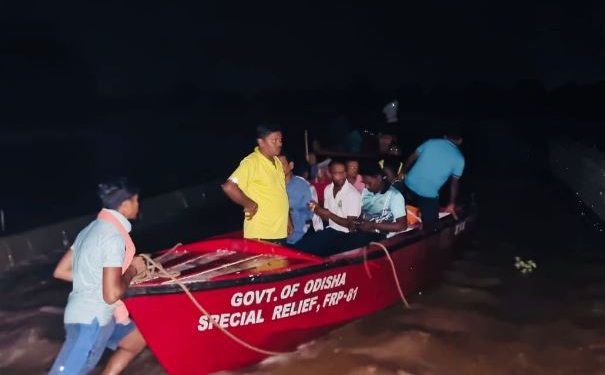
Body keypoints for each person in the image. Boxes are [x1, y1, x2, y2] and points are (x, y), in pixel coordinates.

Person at [50, 178, 147, 375]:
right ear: (126, 204)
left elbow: (60, 271)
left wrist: (101, 279)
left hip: (94, 315)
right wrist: (133, 270)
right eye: (136, 200)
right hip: (92, 322)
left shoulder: (90, 230)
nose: (138, 205)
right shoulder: (113, 237)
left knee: (136, 341)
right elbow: (111, 294)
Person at [222, 124, 291, 245]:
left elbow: (280, 193)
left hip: (278, 231)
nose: (279, 144)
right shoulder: (252, 162)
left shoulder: (277, 162)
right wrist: (250, 204)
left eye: (280, 140)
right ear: (261, 142)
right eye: (274, 140)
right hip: (262, 234)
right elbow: (229, 187)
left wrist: (287, 220)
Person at [294, 160, 361, 256]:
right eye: (336, 173)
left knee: (303, 249)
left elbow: (352, 226)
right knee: (299, 245)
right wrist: (314, 208)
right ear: (330, 174)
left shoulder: (353, 194)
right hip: (330, 229)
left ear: (346, 173)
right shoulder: (328, 189)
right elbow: (326, 217)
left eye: (342, 173)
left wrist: (328, 214)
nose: (340, 176)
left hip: (345, 235)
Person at [403, 131, 465, 232]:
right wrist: (452, 202)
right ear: (460, 141)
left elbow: (411, 158)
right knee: (431, 226)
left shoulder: (430, 142)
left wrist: (403, 172)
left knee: (408, 208)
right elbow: (454, 183)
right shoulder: (460, 158)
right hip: (428, 195)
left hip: (408, 185)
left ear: (445, 136)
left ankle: (411, 221)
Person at [342, 162, 408, 249]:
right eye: (364, 183)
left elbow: (402, 226)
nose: (366, 186)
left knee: (354, 242)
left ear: (379, 178)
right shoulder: (366, 191)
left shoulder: (395, 196)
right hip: (364, 232)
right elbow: (361, 213)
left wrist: (373, 225)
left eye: (369, 183)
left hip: (383, 236)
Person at [279, 153, 313, 245]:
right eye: (276, 165)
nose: (278, 168)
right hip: (277, 239)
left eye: (282, 164)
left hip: (299, 238)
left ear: (291, 165)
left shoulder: (303, 185)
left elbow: (313, 210)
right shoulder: (272, 186)